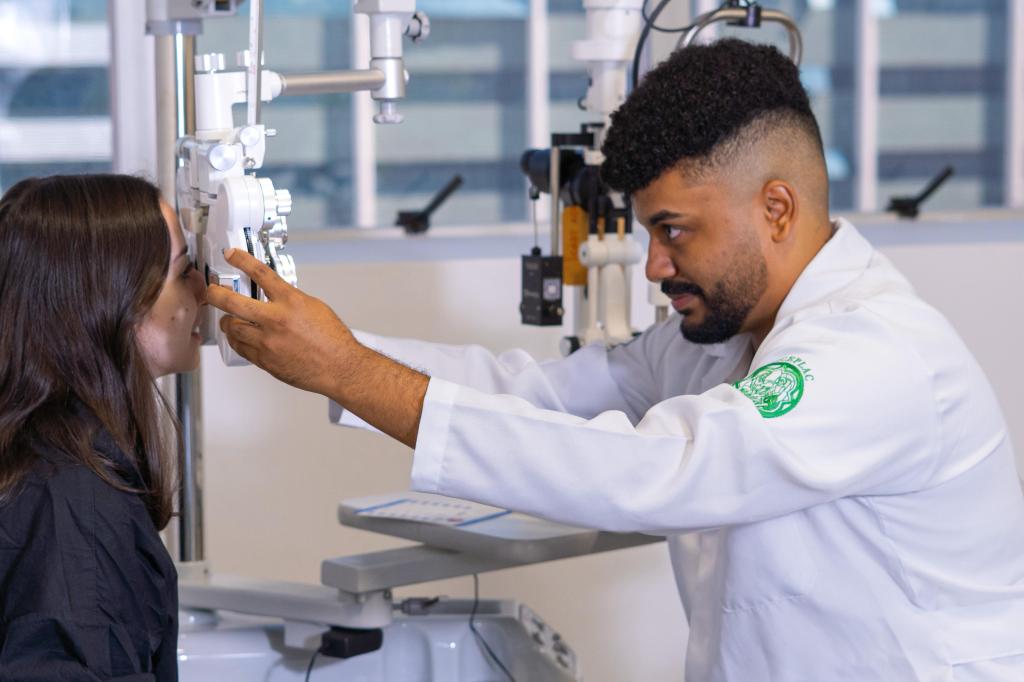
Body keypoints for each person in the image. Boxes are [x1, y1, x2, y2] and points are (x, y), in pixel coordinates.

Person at [207, 39, 1024, 680]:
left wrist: (348, 371)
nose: (655, 266)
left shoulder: (875, 353)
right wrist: (326, 351)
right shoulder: (717, 340)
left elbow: (661, 470)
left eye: (675, 230)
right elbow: (536, 395)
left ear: (776, 208)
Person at [0, 174, 206, 681]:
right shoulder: (76, 505)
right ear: (113, 299)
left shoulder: (46, 453)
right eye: (183, 272)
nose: (203, 290)